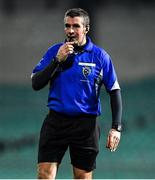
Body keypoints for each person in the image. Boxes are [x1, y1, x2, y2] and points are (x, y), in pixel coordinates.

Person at [31, 8, 122, 179]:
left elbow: (114, 91)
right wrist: (57, 60)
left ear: (86, 28)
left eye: (76, 26)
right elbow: (36, 83)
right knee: (44, 176)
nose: (70, 31)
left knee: (82, 177)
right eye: (67, 26)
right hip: (56, 122)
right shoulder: (55, 52)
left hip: (85, 126)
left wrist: (116, 128)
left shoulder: (100, 56)